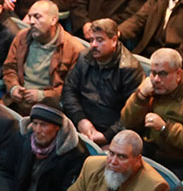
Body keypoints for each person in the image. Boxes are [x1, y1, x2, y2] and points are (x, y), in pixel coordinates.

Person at [120, 48, 183, 181]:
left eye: (162, 74)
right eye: (153, 73)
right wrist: (140, 97)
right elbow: (127, 122)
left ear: (178, 74)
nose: (156, 79)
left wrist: (165, 128)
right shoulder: (149, 87)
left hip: (179, 161)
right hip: (148, 151)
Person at [62, 19, 144, 147]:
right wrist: (80, 119)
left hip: (112, 134)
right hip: (80, 124)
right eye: (91, 40)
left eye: (100, 40)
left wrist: (107, 135)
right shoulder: (84, 57)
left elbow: (133, 114)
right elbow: (69, 90)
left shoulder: (129, 68)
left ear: (114, 40)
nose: (94, 45)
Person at [3, 0, 83, 115]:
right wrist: (13, 87)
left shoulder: (73, 48)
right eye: (30, 17)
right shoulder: (22, 37)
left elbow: (72, 89)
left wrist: (44, 95)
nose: (31, 22)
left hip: (49, 108)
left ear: (53, 20)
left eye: (37, 17)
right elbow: (9, 68)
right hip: (17, 101)